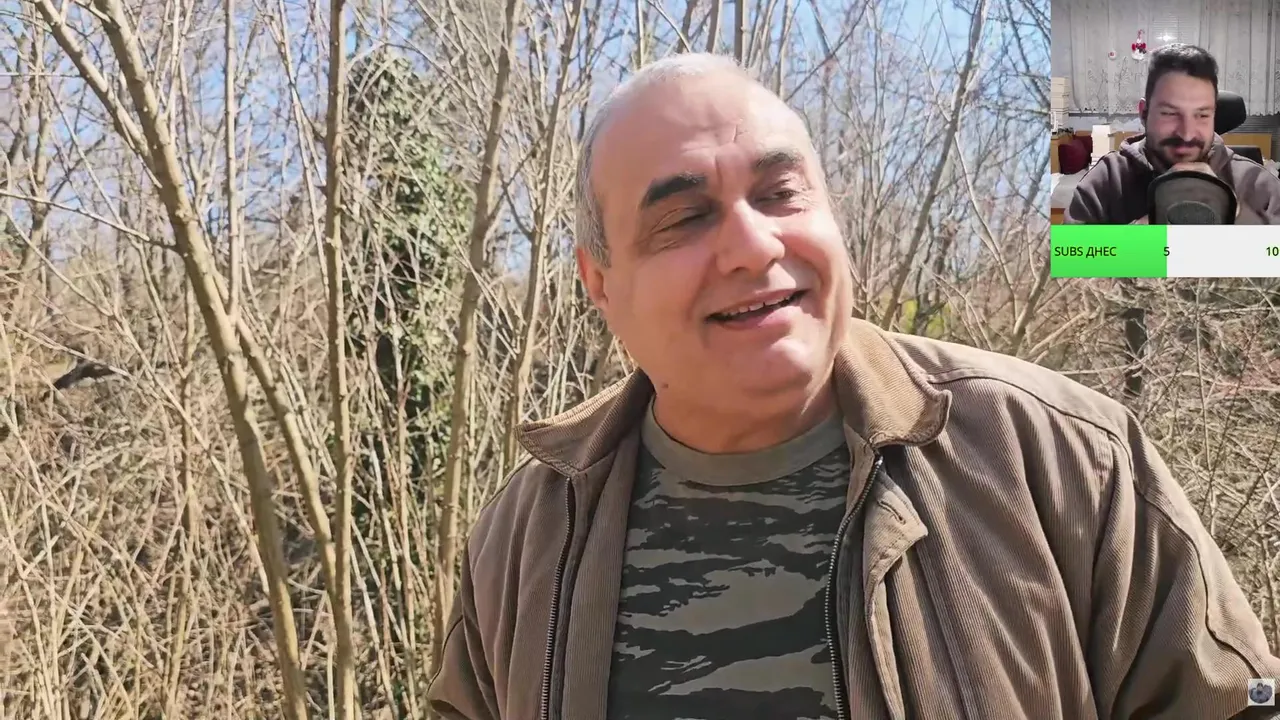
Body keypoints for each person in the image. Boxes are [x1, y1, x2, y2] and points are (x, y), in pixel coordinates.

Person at [428, 53, 1280, 719]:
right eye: (684, 217)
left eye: (781, 193)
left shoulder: (1059, 462)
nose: (754, 245)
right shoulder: (527, 537)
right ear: (599, 283)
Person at [1067, 43, 1280, 224]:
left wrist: (1234, 212)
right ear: (1144, 113)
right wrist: (1142, 236)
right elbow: (1067, 255)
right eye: (1170, 113)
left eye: (1202, 115)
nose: (1187, 134)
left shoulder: (1258, 185)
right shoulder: (1105, 181)